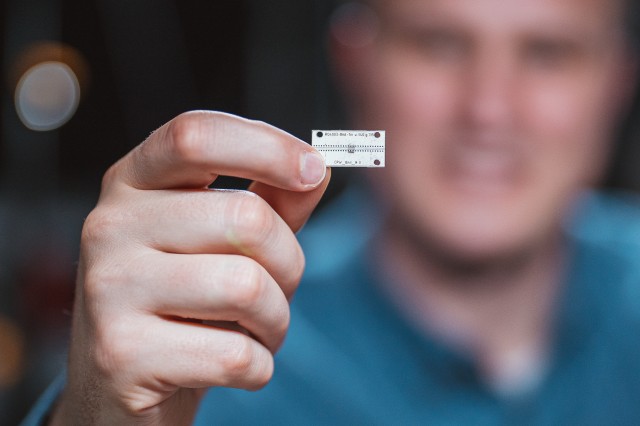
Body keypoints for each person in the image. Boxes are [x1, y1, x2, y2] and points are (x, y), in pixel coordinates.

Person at [23, 0, 640, 424]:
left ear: (619, 82)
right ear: (355, 61)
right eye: (439, 44)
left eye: (548, 54)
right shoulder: (220, 338)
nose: (488, 109)